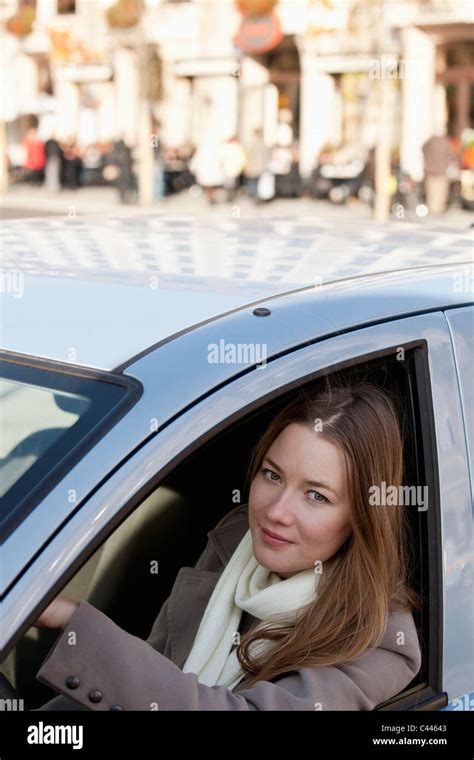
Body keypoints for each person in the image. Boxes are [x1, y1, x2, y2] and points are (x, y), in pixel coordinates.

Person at [31, 381, 421, 711]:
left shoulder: (380, 642)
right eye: (272, 475)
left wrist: (71, 620)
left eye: (316, 496)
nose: (277, 512)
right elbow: (154, 672)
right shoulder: (237, 542)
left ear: (360, 517)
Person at [422, 128, 458, 215]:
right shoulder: (445, 142)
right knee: (441, 192)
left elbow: (423, 149)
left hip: (430, 170)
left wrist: (428, 160)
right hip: (442, 171)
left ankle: (432, 209)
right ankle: (438, 210)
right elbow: (451, 155)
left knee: (431, 192)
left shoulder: (430, 141)